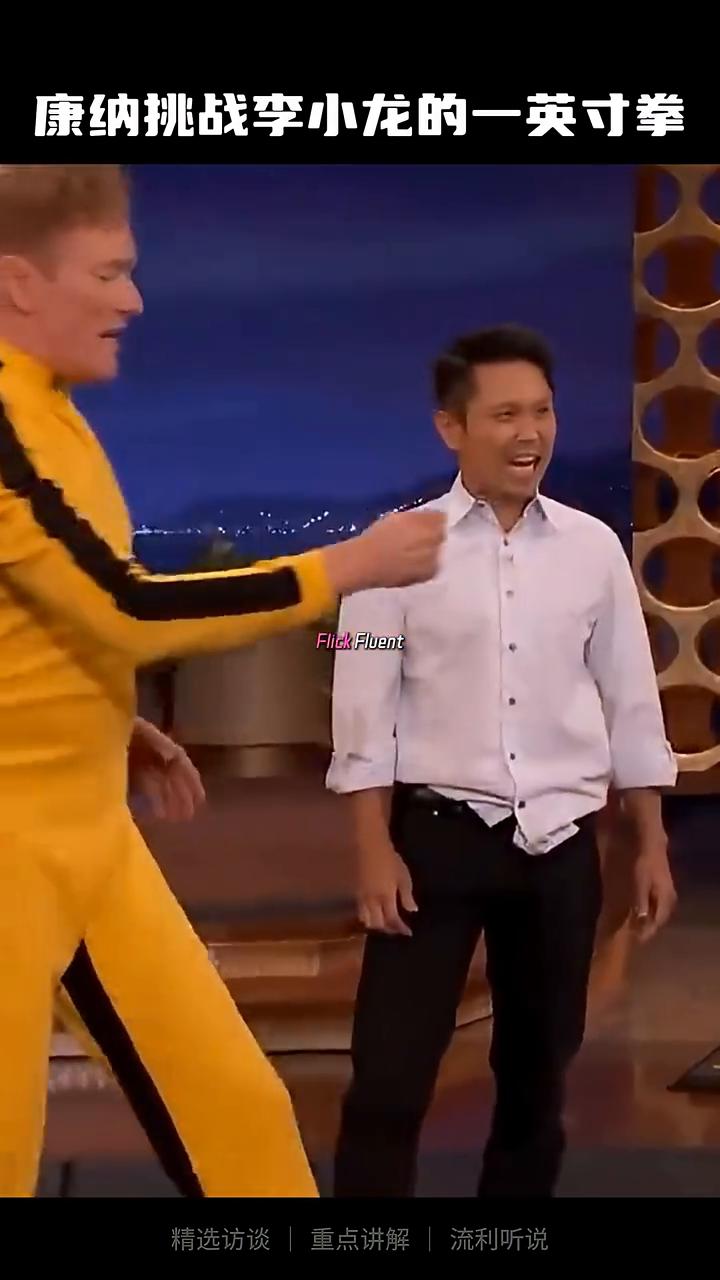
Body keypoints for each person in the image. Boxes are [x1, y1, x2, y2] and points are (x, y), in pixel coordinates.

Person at [0, 163, 446, 1199]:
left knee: (237, 1116)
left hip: (88, 839)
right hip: (15, 852)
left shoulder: (50, 413)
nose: (132, 300)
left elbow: (48, 612)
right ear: (20, 283)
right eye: (108, 273)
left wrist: (104, 718)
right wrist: (344, 566)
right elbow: (125, 604)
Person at [327, 325, 678, 1198]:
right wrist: (372, 849)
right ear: (451, 427)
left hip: (560, 849)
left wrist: (651, 840)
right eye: (506, 414)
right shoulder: (395, 549)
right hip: (435, 846)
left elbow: (631, 698)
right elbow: (363, 708)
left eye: (544, 412)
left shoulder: (594, 549)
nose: (531, 433)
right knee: (387, 1083)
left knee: (536, 1086)